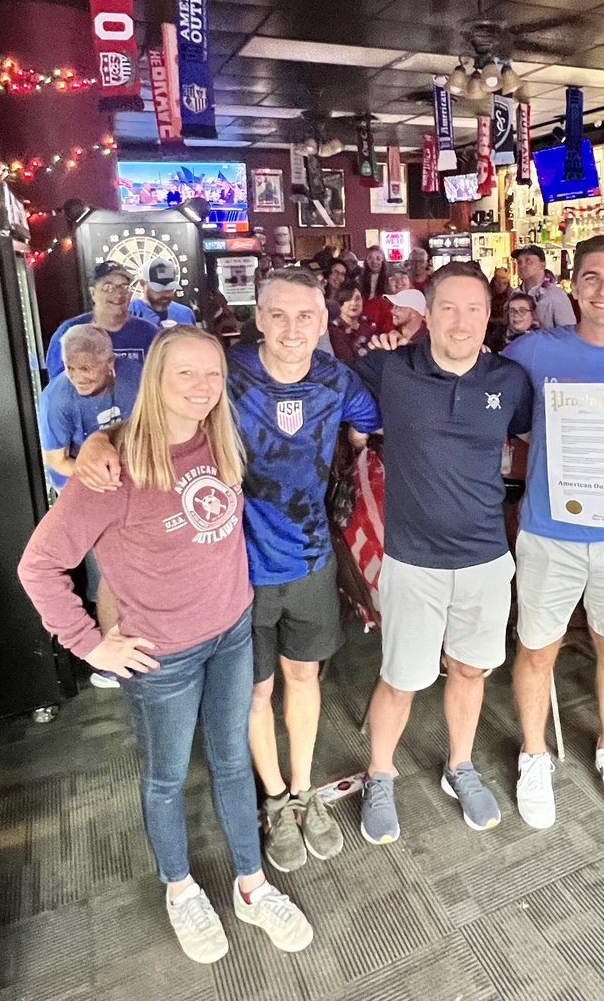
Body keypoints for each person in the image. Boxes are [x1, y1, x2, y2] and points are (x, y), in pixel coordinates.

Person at [20, 327, 313, 964]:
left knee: (232, 762)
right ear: (155, 377)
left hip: (231, 633)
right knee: (166, 778)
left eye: (213, 373)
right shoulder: (113, 468)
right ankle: (180, 890)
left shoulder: (221, 437)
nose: (203, 387)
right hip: (160, 657)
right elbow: (38, 565)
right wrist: (90, 646)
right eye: (186, 373)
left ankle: (252, 885)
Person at [73, 268, 382, 874]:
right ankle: (275, 800)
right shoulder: (228, 371)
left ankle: (303, 792)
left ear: (323, 321)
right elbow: (158, 410)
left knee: (304, 679)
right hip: (237, 568)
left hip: (312, 560)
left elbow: (370, 423)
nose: (292, 329)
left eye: (306, 316)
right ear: (258, 318)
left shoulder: (337, 378)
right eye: (278, 315)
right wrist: (101, 440)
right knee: (256, 691)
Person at [352, 263, 534, 844]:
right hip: (412, 560)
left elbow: (533, 439)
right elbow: (331, 397)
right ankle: (380, 773)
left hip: (485, 557)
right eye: (448, 308)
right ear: (426, 315)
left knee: (470, 669)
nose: (461, 321)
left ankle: (460, 766)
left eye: (474, 309)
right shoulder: (389, 369)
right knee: (401, 678)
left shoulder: (510, 379)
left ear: (489, 315)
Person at [503, 235, 604, 830]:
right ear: (573, 285)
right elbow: (492, 403)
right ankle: (533, 755)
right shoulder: (532, 351)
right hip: (549, 530)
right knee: (536, 649)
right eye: (591, 276)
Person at [38, 324, 141, 492]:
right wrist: (106, 480)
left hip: (128, 467)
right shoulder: (55, 400)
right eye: (70, 368)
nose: (77, 378)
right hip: (78, 479)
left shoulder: (135, 374)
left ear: (110, 362)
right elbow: (58, 460)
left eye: (85, 368)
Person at [46, 262, 157, 377]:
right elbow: (57, 382)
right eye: (108, 287)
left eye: (124, 287)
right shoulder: (68, 333)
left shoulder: (149, 333)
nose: (118, 294)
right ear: (93, 293)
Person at [512, 245, 576, 330]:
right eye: (519, 262)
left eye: (528, 261)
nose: (522, 266)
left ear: (543, 264)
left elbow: (568, 331)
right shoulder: (515, 294)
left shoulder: (556, 295)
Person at [129, 258, 196, 327]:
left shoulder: (185, 313)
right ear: (143, 283)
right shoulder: (129, 313)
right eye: (160, 288)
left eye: (170, 289)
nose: (166, 294)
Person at [328, 287, 377, 363]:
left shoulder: (369, 324)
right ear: (339, 302)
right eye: (348, 299)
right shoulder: (333, 330)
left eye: (358, 298)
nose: (353, 302)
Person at [365, 265, 409, 333]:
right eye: (393, 278)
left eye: (402, 277)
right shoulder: (375, 304)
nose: (399, 281)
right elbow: (367, 331)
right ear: (387, 284)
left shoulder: (418, 302)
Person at [487, 267, 512, 348]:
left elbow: (507, 320)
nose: (500, 286)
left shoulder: (511, 296)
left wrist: (492, 320)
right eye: (498, 282)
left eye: (504, 283)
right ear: (494, 282)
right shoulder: (487, 294)